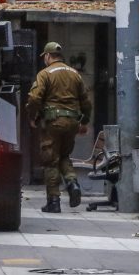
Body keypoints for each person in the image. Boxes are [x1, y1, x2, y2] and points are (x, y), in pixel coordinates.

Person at [25, 42, 92, 213]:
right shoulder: (75, 74)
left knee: (50, 161)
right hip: (72, 123)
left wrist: (33, 116)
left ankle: (53, 201)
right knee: (64, 155)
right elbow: (86, 101)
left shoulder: (45, 74)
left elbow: (34, 98)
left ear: (47, 56)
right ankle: (72, 183)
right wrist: (84, 122)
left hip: (53, 123)